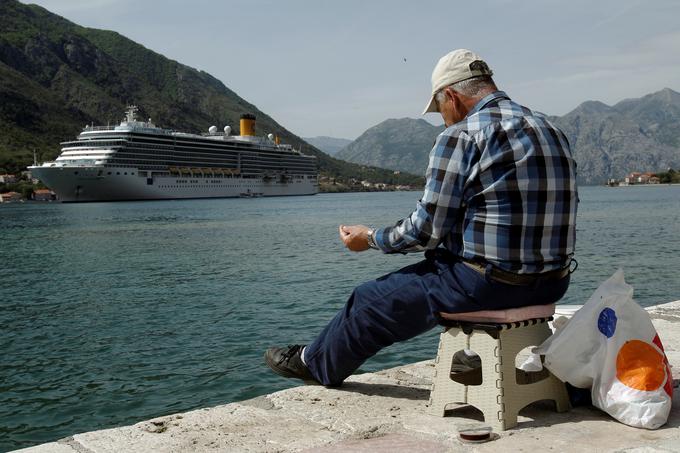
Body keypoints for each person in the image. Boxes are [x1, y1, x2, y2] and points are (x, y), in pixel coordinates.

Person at [264, 49, 578, 387]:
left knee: (369, 300)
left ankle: (315, 363)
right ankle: (476, 362)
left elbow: (424, 231)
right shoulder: (549, 129)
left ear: (452, 97)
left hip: (489, 287)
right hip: (554, 281)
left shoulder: (462, 135)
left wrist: (369, 238)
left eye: (439, 108)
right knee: (448, 264)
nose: (442, 118)